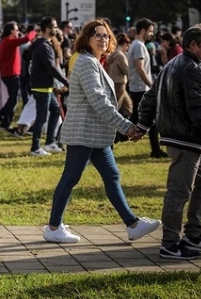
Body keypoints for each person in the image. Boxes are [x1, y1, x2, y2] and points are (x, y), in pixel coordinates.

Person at [44, 20, 160, 244]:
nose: (102, 39)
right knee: (70, 178)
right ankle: (54, 227)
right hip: (84, 132)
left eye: (105, 36)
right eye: (97, 35)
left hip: (95, 134)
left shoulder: (95, 62)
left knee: (112, 175)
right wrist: (126, 126)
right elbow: (99, 101)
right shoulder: (87, 63)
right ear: (86, 39)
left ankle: (132, 224)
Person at [137, 24, 201, 260]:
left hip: (187, 139)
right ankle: (170, 244)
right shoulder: (191, 68)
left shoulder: (173, 64)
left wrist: (143, 125)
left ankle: (192, 234)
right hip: (186, 139)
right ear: (193, 45)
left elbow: (149, 98)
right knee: (178, 193)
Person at [28, 17, 69, 156]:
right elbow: (51, 68)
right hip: (42, 87)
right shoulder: (44, 46)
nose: (56, 29)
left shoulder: (44, 45)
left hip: (46, 87)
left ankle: (50, 143)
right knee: (42, 118)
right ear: (47, 29)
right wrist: (66, 82)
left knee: (56, 110)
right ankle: (35, 148)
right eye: (54, 26)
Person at [128, 18, 165, 158]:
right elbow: (140, 69)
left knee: (147, 119)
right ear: (143, 31)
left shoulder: (138, 45)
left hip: (139, 87)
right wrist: (151, 86)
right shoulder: (138, 46)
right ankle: (111, 140)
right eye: (150, 31)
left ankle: (156, 149)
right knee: (138, 120)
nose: (151, 34)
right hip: (140, 88)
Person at [0, 22, 36, 136]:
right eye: (16, 30)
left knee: (13, 98)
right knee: (13, 99)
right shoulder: (9, 42)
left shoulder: (4, 42)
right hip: (11, 73)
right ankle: (0, 116)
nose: (18, 32)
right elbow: (27, 38)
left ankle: (5, 122)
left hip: (8, 73)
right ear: (11, 31)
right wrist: (34, 31)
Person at [107, 33, 133, 119]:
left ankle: (136, 124)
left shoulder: (113, 54)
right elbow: (126, 70)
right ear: (125, 44)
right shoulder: (121, 56)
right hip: (120, 84)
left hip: (114, 82)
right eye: (127, 46)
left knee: (128, 105)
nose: (127, 48)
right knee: (116, 108)